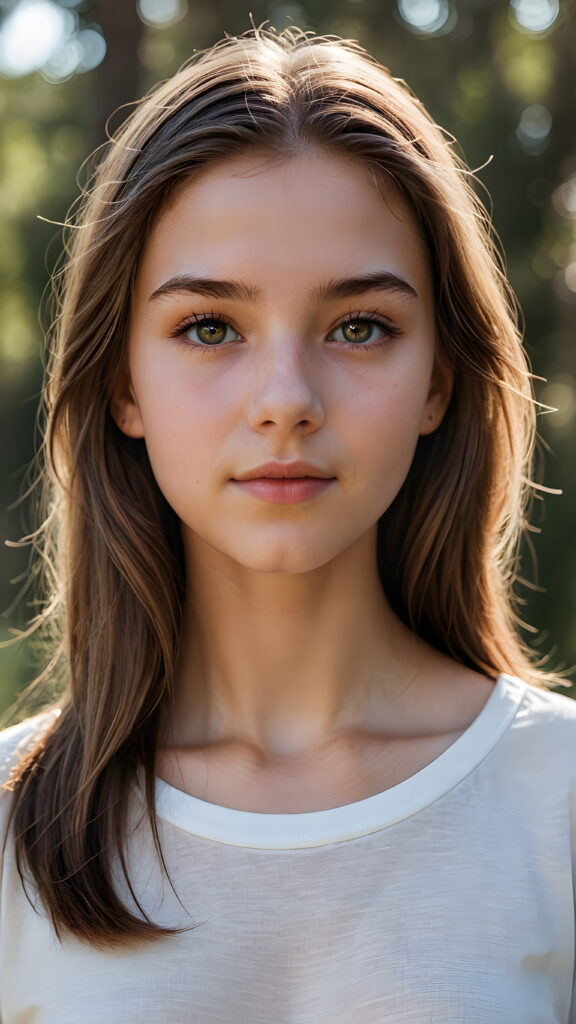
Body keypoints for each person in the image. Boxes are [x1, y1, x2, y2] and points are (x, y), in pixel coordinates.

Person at [0, 23, 574, 1023]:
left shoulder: (558, 800)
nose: (286, 400)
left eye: (359, 327)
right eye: (209, 327)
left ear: (438, 381)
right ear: (123, 384)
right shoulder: (11, 824)